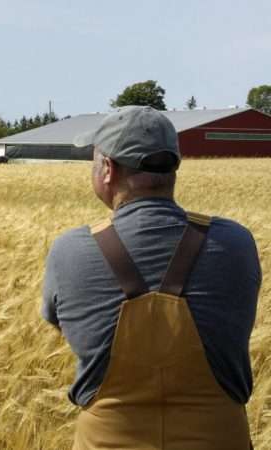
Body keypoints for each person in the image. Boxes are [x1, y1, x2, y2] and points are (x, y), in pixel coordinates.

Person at [41, 106, 261, 449]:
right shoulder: (236, 243)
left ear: (108, 169)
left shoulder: (70, 251)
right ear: (173, 166)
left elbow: (63, 327)